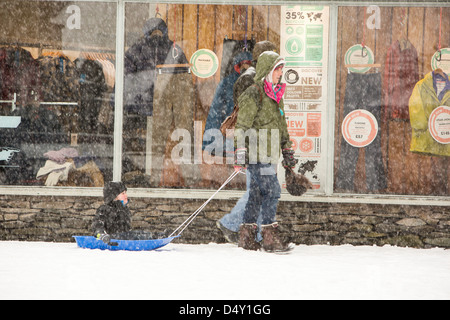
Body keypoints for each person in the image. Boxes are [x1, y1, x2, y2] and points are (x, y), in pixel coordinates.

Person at [234, 51, 297, 252]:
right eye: (277, 69)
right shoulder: (254, 93)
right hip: (256, 153)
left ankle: (247, 237)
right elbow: (241, 126)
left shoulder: (276, 94)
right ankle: (269, 237)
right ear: (268, 71)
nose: (280, 73)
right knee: (272, 190)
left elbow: (281, 124)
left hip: (270, 154)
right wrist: (240, 152)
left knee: (257, 194)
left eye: (281, 69)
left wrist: (286, 148)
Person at [216, 41, 277, 244]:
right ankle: (233, 224)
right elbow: (245, 116)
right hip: (255, 143)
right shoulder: (249, 79)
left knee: (262, 189)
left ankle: (253, 231)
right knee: (260, 189)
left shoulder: (260, 78)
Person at [92, 181, 166, 244]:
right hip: (112, 238)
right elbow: (97, 225)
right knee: (134, 236)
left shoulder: (124, 209)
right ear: (114, 197)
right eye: (123, 194)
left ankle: (158, 235)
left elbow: (127, 229)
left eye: (125, 193)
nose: (126, 195)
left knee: (138, 233)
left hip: (124, 237)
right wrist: (102, 235)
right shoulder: (104, 209)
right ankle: (156, 237)